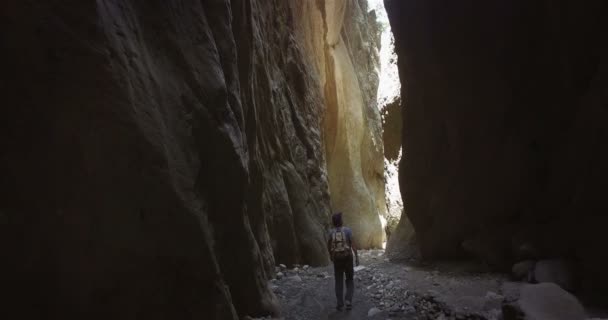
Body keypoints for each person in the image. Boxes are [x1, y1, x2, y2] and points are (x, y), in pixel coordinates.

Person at [327, 212, 359, 311]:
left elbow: (328, 245)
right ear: (341, 221)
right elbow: (353, 244)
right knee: (349, 279)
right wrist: (357, 256)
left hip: (337, 259)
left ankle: (340, 303)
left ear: (333, 222)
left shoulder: (331, 233)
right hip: (348, 258)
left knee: (338, 281)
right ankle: (348, 300)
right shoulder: (348, 230)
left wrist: (331, 256)